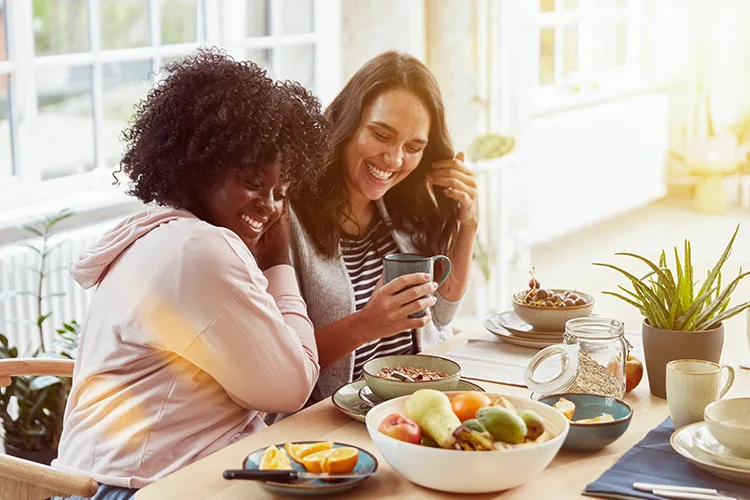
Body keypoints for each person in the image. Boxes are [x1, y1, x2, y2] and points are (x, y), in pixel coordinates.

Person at [51, 48, 329, 500]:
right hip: (137, 490)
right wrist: (279, 260)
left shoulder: (158, 234)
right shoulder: (200, 249)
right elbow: (294, 384)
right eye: (253, 181)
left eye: (281, 191)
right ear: (200, 166)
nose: (272, 206)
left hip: (116, 480)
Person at [289, 50, 479, 403]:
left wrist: (468, 223)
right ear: (348, 123)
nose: (394, 159)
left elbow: (440, 314)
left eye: (413, 146)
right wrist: (367, 323)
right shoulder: (290, 218)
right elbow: (283, 361)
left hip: (422, 400)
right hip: (336, 422)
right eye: (380, 134)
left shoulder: (403, 204)